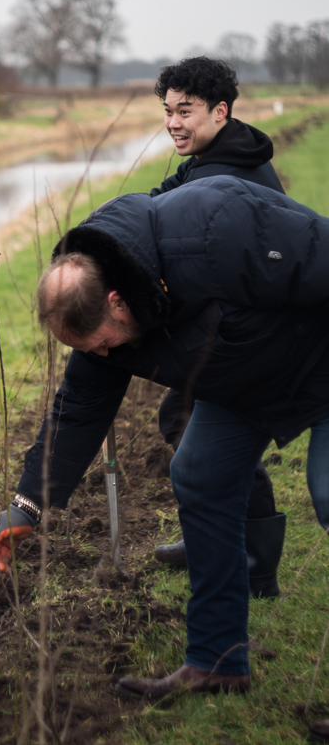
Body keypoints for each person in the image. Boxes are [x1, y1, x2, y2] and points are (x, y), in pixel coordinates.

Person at [0, 174, 329, 717]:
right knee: (200, 475)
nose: (100, 355)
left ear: (118, 302)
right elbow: (77, 411)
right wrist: (27, 504)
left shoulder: (218, 225)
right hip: (249, 384)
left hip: (321, 355)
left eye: (102, 343)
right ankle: (218, 658)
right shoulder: (100, 317)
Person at [146, 57, 286, 595]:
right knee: (185, 421)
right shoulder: (221, 152)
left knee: (209, 433)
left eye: (186, 110)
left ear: (220, 111)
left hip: (246, 334)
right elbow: (162, 203)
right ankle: (211, 535)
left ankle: (254, 565)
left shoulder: (225, 175)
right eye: (167, 111)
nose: (173, 122)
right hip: (228, 326)